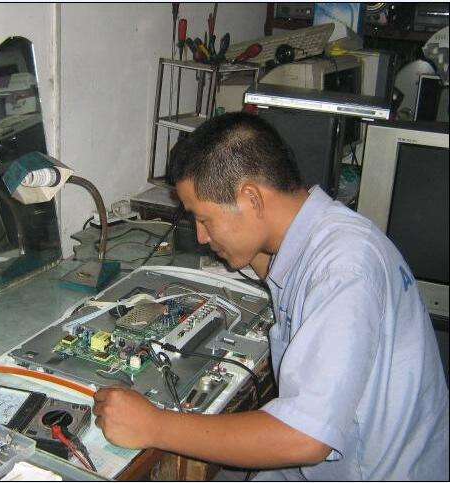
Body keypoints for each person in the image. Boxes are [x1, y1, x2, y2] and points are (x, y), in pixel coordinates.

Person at [93, 113, 448, 480]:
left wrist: (155, 426)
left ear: (252, 198)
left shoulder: (343, 269)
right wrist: (251, 253)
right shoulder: (320, 233)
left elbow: (305, 438)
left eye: (204, 219)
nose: (200, 236)